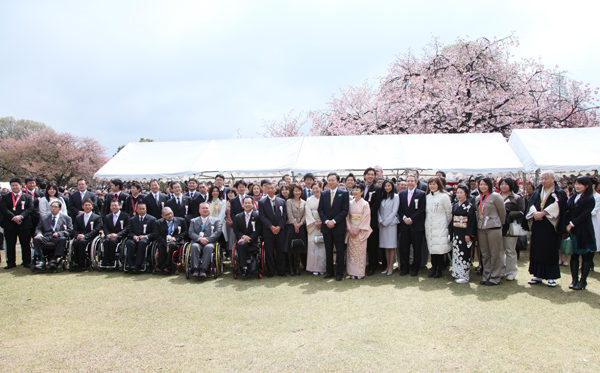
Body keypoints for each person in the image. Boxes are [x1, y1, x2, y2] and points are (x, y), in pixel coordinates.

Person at [525, 170, 568, 287]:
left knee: (550, 249)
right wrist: (534, 213)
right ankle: (537, 275)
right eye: (542, 178)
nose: (543, 181)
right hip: (538, 225)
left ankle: (551, 277)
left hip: (550, 226)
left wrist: (544, 213)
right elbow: (531, 204)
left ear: (553, 179)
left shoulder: (559, 193)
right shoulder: (537, 191)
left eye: (546, 178)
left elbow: (558, 206)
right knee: (537, 249)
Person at [318, 172, 350, 281]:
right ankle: (330, 272)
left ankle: (339, 273)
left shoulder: (344, 193)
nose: (330, 182)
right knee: (328, 250)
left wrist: (334, 221)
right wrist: (327, 221)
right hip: (327, 227)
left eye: (333, 180)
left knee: (340, 251)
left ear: (337, 181)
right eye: (329, 180)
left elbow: (345, 210)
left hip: (338, 227)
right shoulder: (324, 194)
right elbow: (320, 210)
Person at [566, 176, 597, 290]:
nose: (577, 186)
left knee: (586, 256)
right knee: (574, 255)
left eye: (580, 184)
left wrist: (572, 223)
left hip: (584, 230)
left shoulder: (590, 198)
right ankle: (574, 280)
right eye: (576, 184)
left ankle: (583, 281)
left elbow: (585, 214)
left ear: (587, 186)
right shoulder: (574, 196)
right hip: (574, 231)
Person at [475, 178, 506, 286]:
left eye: (485, 184)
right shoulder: (478, 198)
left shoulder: (496, 196)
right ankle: (486, 275)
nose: (482, 186)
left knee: (495, 253)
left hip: (494, 227)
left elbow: (502, 211)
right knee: (485, 253)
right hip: (482, 228)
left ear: (489, 185)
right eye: (480, 184)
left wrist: (500, 223)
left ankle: (495, 277)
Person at [0, 177, 34, 269]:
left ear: (21, 185)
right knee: (10, 244)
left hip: (24, 223)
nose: (14, 187)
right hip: (10, 224)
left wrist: (20, 216)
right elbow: (4, 209)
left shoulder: (27, 196)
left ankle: (26, 261)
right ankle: (11, 262)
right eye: (12, 186)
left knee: (25, 243)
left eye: (16, 185)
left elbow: (30, 209)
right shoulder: (5, 197)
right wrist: (13, 217)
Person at [398, 174, 426, 276]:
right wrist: (404, 218)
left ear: (416, 182)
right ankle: (404, 267)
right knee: (404, 248)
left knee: (417, 248)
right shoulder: (401, 194)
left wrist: (411, 219)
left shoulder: (421, 194)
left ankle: (415, 268)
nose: (410, 183)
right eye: (408, 181)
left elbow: (421, 210)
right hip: (404, 226)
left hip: (416, 226)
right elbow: (399, 209)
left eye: (412, 181)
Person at [424, 177, 452, 278]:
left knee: (439, 249)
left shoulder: (444, 197)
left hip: (440, 226)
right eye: (430, 184)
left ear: (439, 185)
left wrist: (444, 223)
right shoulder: (427, 197)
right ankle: (433, 268)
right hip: (429, 226)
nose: (432, 186)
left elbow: (449, 213)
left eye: (434, 184)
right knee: (432, 248)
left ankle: (439, 269)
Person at [32, 201, 73, 270]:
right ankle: (40, 260)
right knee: (37, 239)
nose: (53, 208)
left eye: (55, 207)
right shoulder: (44, 217)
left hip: (58, 237)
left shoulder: (66, 218)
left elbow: (70, 230)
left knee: (63, 239)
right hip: (46, 236)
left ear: (60, 209)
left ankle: (54, 259)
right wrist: (39, 233)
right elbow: (39, 228)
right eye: (52, 207)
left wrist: (59, 233)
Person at [498, 178, 525, 281]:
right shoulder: (496, 196)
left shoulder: (517, 198)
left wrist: (509, 214)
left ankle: (511, 272)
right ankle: (501, 271)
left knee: (510, 250)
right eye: (501, 184)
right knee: (499, 251)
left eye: (506, 184)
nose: (503, 186)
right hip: (498, 227)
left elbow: (522, 212)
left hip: (510, 227)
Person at [258, 182, 287, 277]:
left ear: (275, 189)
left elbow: (284, 216)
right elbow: (262, 216)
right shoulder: (261, 202)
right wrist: (271, 226)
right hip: (268, 231)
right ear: (266, 189)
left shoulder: (282, 201)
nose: (270, 190)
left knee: (280, 251)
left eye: (272, 188)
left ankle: (281, 271)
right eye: (268, 188)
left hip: (280, 230)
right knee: (269, 252)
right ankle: (270, 272)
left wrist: (279, 227)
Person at [346, 183, 372, 279]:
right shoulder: (349, 203)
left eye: (358, 189)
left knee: (360, 252)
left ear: (362, 192)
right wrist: (349, 228)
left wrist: (358, 229)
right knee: (351, 252)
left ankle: (359, 272)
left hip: (360, 230)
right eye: (354, 189)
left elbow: (366, 218)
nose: (355, 191)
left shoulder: (365, 204)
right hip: (351, 231)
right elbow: (347, 217)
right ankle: (352, 272)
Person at [189, 202, 222, 278]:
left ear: (209, 209)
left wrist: (208, 240)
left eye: (207, 208)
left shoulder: (216, 220)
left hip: (210, 242)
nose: (205, 210)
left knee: (208, 248)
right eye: (203, 208)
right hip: (197, 241)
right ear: (199, 210)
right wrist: (200, 239)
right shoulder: (193, 221)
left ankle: (204, 269)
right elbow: (191, 233)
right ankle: (196, 269)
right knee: (194, 246)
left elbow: (218, 232)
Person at [451, 184, 476, 283]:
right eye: (457, 193)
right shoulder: (455, 204)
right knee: (456, 253)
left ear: (466, 194)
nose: (459, 195)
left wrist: (468, 234)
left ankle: (464, 275)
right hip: (456, 232)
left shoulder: (469, 207)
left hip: (464, 232)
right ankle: (456, 272)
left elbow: (471, 222)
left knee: (464, 253)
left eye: (461, 193)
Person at [233, 196, 262, 276]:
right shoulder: (237, 217)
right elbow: (236, 230)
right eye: (245, 203)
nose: (247, 205)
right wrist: (243, 237)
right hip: (242, 241)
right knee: (241, 245)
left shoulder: (257, 216)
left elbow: (259, 230)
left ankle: (253, 267)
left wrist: (250, 238)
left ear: (253, 204)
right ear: (242, 204)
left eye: (249, 203)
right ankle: (243, 268)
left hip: (254, 241)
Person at [71, 199, 103, 269]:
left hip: (91, 237)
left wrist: (85, 236)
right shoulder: (78, 217)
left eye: (89, 205)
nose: (87, 207)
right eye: (85, 205)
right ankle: (76, 261)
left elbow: (96, 230)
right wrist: (77, 235)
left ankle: (83, 262)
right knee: (76, 242)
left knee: (82, 242)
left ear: (92, 207)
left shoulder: (97, 217)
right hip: (80, 237)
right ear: (82, 207)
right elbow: (75, 229)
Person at [154, 207, 187, 273]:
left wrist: (176, 238)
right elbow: (157, 235)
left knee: (172, 245)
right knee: (160, 246)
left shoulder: (181, 220)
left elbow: (185, 232)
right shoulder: (158, 223)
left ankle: (169, 265)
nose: (170, 215)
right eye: (167, 215)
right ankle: (161, 265)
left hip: (176, 241)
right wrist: (166, 244)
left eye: (171, 213)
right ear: (162, 216)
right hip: (164, 241)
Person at [125, 202, 157, 272]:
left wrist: (145, 236)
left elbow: (154, 233)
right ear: (136, 210)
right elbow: (130, 231)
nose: (142, 210)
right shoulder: (132, 219)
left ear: (146, 209)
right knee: (129, 243)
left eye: (143, 209)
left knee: (142, 243)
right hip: (135, 238)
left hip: (146, 239)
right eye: (140, 209)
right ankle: (130, 264)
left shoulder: (152, 219)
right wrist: (134, 236)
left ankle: (138, 264)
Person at [363, 167, 382, 275]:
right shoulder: (360, 187)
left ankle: (372, 267)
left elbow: (376, 205)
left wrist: (365, 215)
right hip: (359, 222)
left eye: (372, 174)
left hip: (371, 221)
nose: (370, 176)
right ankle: (361, 265)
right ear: (364, 175)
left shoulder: (377, 189)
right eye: (368, 174)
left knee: (372, 245)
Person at [378, 180, 399, 275]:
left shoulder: (395, 197)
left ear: (392, 186)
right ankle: (387, 266)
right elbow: (378, 210)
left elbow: (394, 211)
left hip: (391, 225)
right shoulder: (382, 197)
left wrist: (386, 222)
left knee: (391, 247)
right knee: (386, 247)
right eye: (385, 186)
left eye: (389, 185)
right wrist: (380, 221)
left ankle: (391, 266)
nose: (387, 187)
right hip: (382, 224)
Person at [285, 184, 307, 276]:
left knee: (299, 246)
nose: (297, 192)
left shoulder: (304, 202)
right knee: (290, 247)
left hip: (301, 226)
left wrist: (300, 223)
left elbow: (306, 215)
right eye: (295, 191)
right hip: (291, 226)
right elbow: (289, 214)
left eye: (299, 191)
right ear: (292, 192)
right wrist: (295, 224)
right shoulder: (289, 201)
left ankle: (297, 267)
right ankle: (291, 268)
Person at [305, 181, 326, 275]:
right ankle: (313, 268)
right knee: (313, 247)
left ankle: (322, 267)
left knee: (322, 246)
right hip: (313, 226)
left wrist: (322, 222)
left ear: (320, 188)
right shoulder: (309, 200)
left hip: (323, 224)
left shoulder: (325, 198)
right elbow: (308, 213)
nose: (315, 190)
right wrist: (315, 222)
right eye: (313, 188)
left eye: (317, 188)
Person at [102, 199, 130, 267]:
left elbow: (127, 228)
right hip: (110, 235)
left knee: (112, 241)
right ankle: (105, 260)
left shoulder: (125, 216)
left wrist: (117, 235)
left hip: (120, 236)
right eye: (112, 206)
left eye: (115, 205)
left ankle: (112, 260)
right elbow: (105, 227)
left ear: (120, 206)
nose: (114, 207)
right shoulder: (107, 217)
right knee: (106, 241)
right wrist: (108, 234)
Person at [224, 189, 238, 261]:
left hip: (237, 223)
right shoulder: (225, 203)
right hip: (228, 224)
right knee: (230, 242)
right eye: (228, 193)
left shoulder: (238, 202)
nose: (230, 194)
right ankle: (231, 257)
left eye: (232, 193)